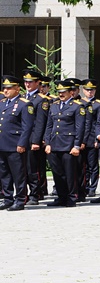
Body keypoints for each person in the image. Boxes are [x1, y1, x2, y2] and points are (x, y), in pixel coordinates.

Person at [44, 79, 87, 207]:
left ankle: (72, 197)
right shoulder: (54, 105)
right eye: (59, 92)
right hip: (55, 144)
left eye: (64, 92)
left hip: (68, 145)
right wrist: (47, 143)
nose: (61, 94)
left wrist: (77, 145)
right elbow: (49, 126)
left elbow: (80, 128)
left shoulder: (77, 106)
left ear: (71, 92)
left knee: (70, 173)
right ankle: (61, 196)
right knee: (58, 173)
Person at [0, 74, 35, 211]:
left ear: (17, 89)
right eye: (4, 88)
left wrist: (22, 144)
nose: (6, 91)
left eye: (9, 88)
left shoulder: (24, 104)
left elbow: (27, 127)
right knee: (4, 173)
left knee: (18, 174)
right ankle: (8, 198)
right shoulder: (2, 103)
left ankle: (20, 199)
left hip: (15, 144)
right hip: (2, 144)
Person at [22, 70, 50, 205]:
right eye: (26, 82)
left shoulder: (41, 100)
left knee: (33, 169)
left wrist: (36, 141)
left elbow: (40, 122)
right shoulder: (22, 97)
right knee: (22, 169)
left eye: (30, 82)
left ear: (38, 83)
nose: (27, 84)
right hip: (21, 139)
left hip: (33, 138)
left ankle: (35, 193)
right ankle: (23, 194)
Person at [78, 79, 100, 199]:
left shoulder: (98, 104)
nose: (90, 92)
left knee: (93, 165)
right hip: (81, 138)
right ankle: (85, 186)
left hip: (92, 138)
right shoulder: (79, 103)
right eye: (87, 90)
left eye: (92, 90)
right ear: (83, 90)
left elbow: (99, 123)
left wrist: (97, 139)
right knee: (83, 165)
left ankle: (93, 188)